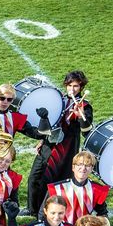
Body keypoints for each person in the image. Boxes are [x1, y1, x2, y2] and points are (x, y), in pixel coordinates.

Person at [26, 70, 91, 214]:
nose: (72, 89)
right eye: (69, 85)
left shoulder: (84, 105)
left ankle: (45, 212)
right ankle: (31, 209)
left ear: (81, 88)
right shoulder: (59, 99)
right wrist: (42, 140)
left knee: (54, 182)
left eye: (75, 86)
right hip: (49, 145)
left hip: (65, 150)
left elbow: (86, 129)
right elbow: (53, 122)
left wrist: (79, 115)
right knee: (35, 176)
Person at [45, 150, 108, 224]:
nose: (83, 168)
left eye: (87, 165)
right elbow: (44, 214)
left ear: (91, 169)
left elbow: (102, 213)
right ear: (73, 167)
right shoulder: (57, 188)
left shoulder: (98, 190)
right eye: (80, 164)